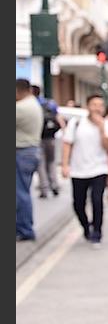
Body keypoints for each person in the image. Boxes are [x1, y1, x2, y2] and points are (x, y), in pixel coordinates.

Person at [61, 94, 108, 247]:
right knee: (78, 204)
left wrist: (102, 128)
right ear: (87, 106)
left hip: (99, 169)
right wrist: (65, 165)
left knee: (97, 200)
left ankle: (97, 232)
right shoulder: (76, 123)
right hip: (78, 170)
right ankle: (86, 227)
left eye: (100, 105)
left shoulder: (106, 124)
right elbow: (67, 144)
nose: (97, 108)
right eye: (94, 105)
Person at [16, 79, 43, 242]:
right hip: (29, 152)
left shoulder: (22, 108)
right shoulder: (33, 103)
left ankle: (25, 229)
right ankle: (22, 227)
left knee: (20, 194)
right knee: (22, 192)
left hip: (22, 152)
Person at [32, 84, 64, 198]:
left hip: (38, 138)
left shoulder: (33, 104)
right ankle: (54, 184)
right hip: (51, 138)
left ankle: (44, 188)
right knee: (51, 162)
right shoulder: (50, 103)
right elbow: (59, 120)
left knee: (41, 164)